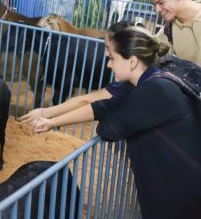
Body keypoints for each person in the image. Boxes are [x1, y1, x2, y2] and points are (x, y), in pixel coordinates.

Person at [20, 24, 201, 218]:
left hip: (178, 190)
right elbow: (102, 107)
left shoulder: (155, 90)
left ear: (132, 61)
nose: (108, 65)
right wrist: (51, 121)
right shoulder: (148, 81)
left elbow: (108, 130)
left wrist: (113, 112)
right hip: (174, 182)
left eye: (112, 59)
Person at [144, 0, 201, 66]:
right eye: (155, 5)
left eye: (161, 2)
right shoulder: (170, 28)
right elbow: (151, 47)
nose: (157, 9)